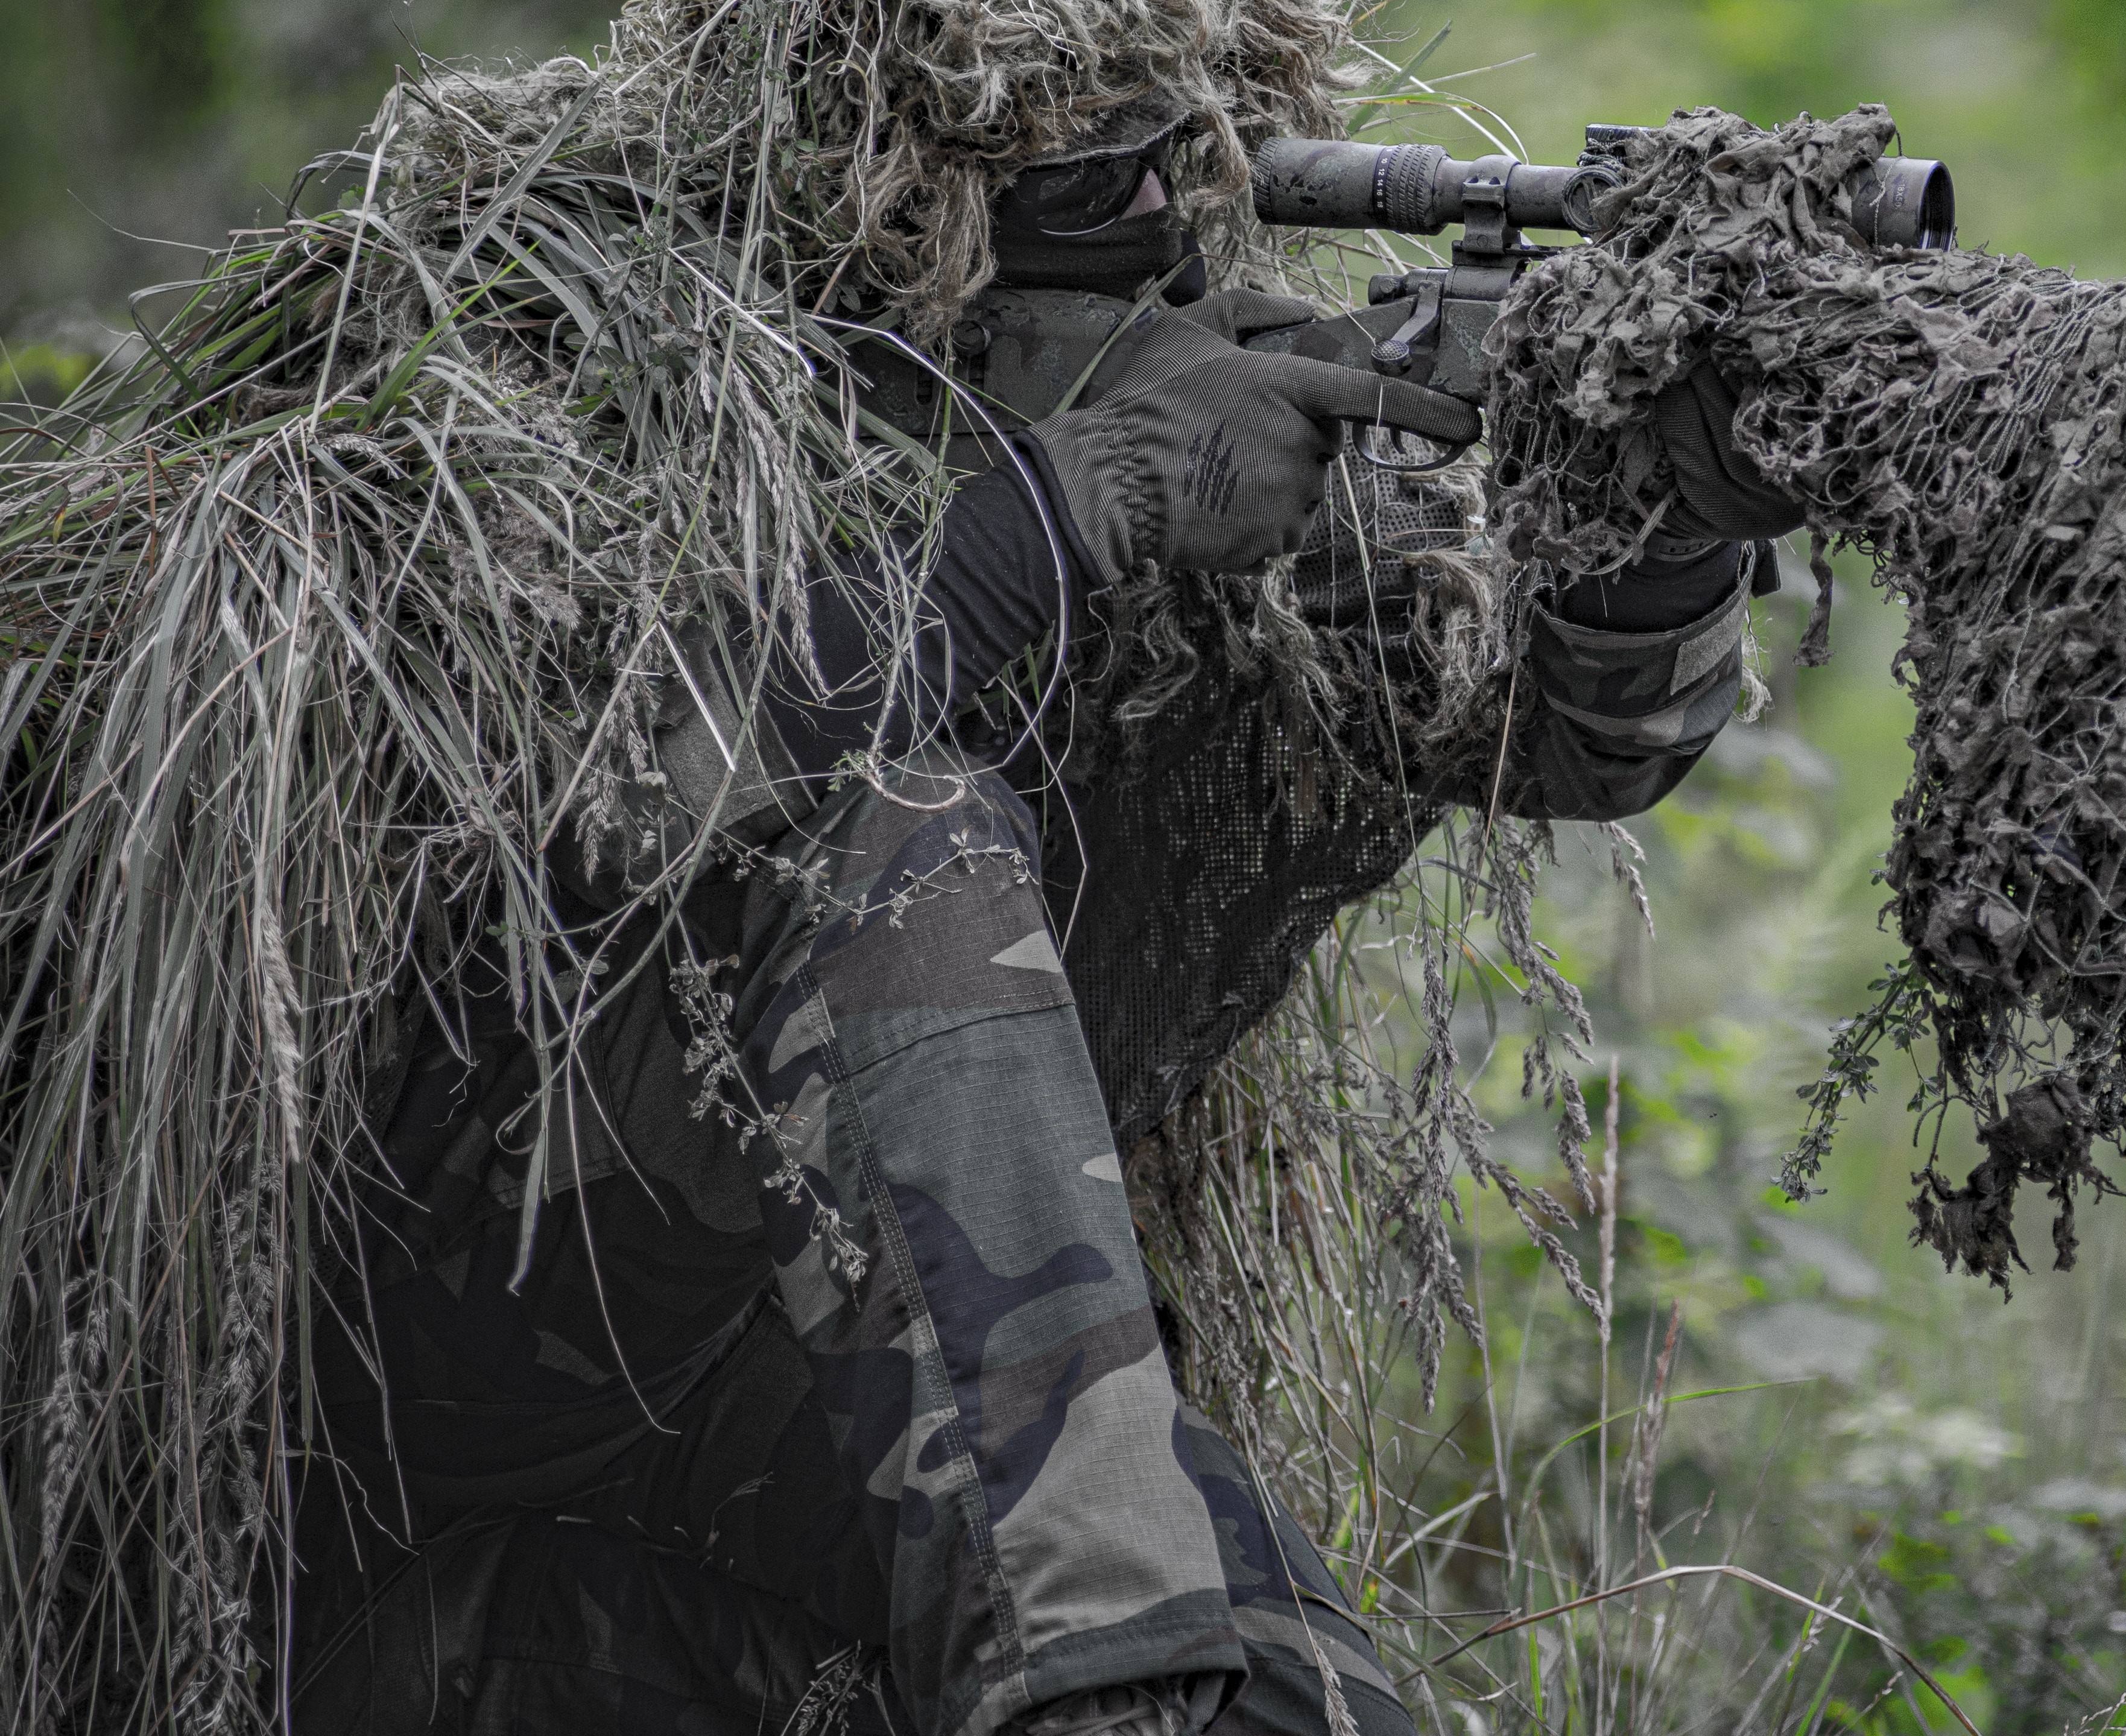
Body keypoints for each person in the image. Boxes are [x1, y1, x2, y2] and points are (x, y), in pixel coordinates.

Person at [288, 101, 1803, 1736]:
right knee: (902, 837)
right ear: (897, 203)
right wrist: (1061, 514)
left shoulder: (1197, 403)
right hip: (399, 1443)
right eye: (1080, 162)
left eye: (1179, 146)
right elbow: (609, 806)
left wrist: (1658, 531)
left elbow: (1557, 739)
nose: (1156, 196)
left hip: (761, 1435)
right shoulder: (612, 380)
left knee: (1287, 1696)